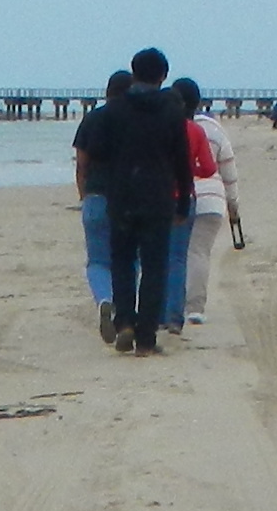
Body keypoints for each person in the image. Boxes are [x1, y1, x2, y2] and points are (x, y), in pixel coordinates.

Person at [80, 45, 197, 354]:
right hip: (158, 198)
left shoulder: (115, 111)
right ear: (163, 76)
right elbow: (182, 160)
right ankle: (146, 338)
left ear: (134, 74)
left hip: (121, 196)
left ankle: (125, 323)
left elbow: (99, 153)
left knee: (122, 263)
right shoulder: (172, 111)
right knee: (155, 266)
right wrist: (184, 199)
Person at [168, 78, 240, 334]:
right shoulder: (214, 129)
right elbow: (227, 170)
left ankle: (172, 306)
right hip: (213, 199)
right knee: (199, 252)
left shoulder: (170, 127)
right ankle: (195, 308)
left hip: (179, 197)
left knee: (176, 254)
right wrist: (233, 205)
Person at [68, 73, 133, 342]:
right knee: (129, 259)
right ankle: (127, 312)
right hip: (129, 197)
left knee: (97, 260)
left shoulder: (92, 119)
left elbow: (81, 162)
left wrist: (83, 193)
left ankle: (104, 300)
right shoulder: (135, 120)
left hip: (96, 194)